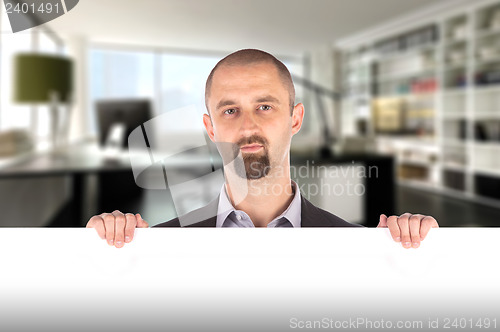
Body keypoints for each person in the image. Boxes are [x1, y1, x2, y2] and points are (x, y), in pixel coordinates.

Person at [87, 49, 438, 248]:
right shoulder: (157, 245)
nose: (247, 126)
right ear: (210, 128)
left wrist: (423, 253)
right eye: (230, 110)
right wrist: (97, 252)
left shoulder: (361, 246)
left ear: (295, 119)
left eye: (265, 107)